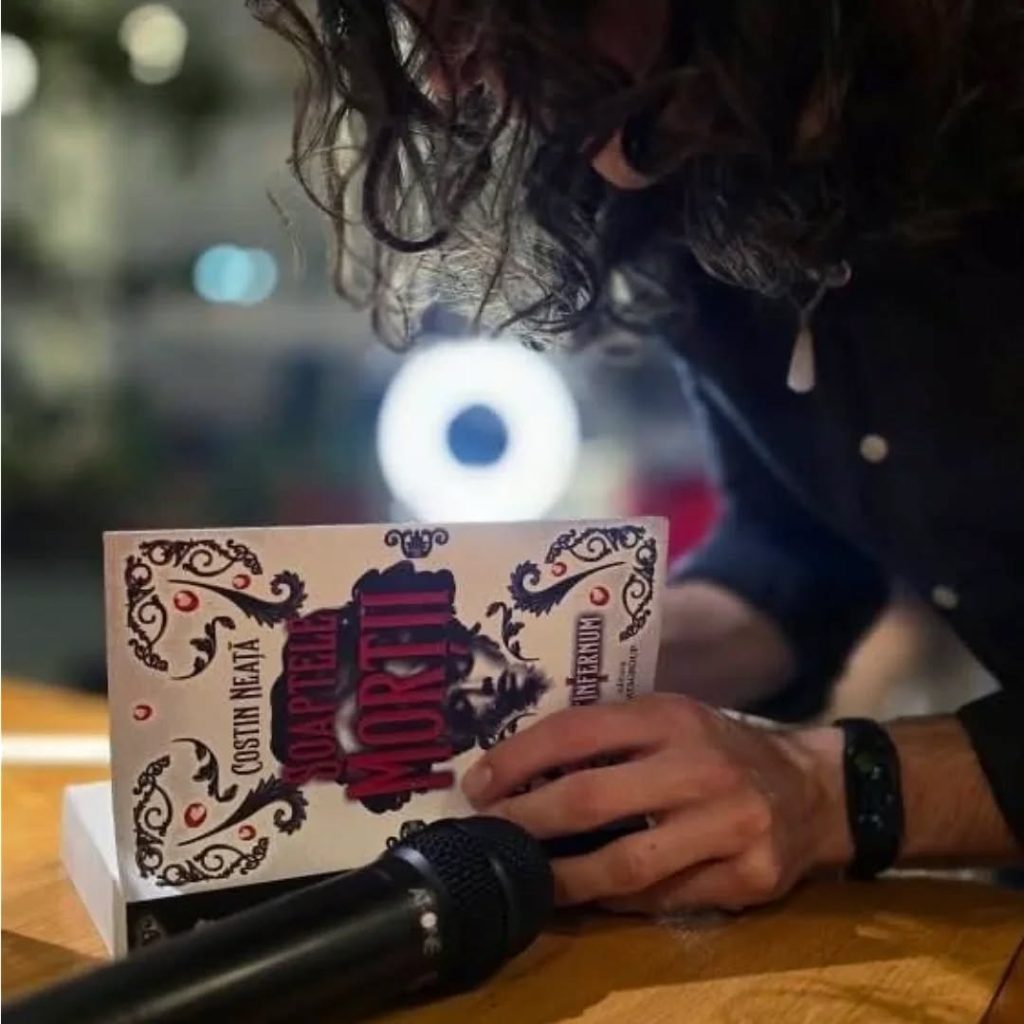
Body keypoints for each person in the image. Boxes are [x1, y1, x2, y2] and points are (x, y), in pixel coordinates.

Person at [254, 0, 1024, 912]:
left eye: (484, 16)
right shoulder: (702, 172)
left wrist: (834, 790)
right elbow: (798, 561)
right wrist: (553, 659)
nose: (450, 79)